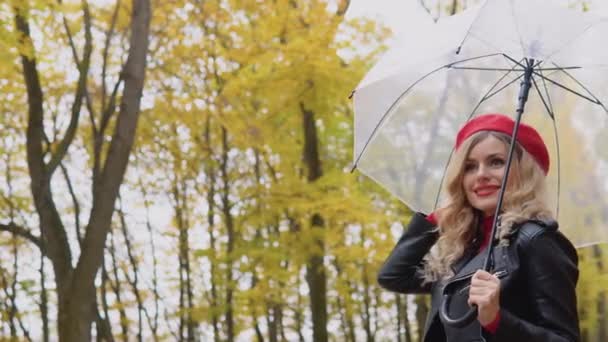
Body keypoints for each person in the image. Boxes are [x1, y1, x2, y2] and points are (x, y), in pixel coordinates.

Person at [377, 114, 580, 341]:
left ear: (524, 172)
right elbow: (394, 275)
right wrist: (435, 220)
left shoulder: (537, 241)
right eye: (470, 167)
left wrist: (497, 320)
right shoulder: (461, 251)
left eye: (496, 162)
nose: (481, 174)